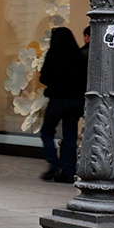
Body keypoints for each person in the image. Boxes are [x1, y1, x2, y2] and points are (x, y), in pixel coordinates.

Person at [37, 25, 85, 182]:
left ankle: (54, 163)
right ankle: (69, 170)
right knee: (70, 136)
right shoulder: (78, 55)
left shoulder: (54, 54)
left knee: (47, 132)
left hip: (57, 100)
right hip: (74, 102)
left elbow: (43, 78)